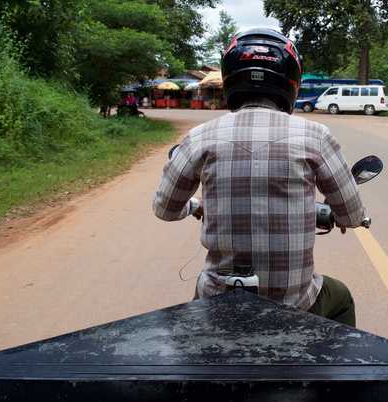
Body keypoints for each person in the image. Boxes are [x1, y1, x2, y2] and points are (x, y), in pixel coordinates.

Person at [152, 28, 366, 326]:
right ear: (292, 81)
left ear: (229, 78)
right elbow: (353, 213)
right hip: (295, 304)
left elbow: (165, 209)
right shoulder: (315, 135)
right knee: (340, 296)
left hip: (217, 301)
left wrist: (194, 206)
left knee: (195, 318)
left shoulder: (199, 137)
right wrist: (342, 217)